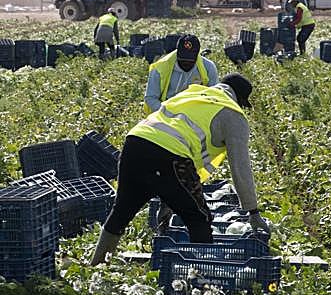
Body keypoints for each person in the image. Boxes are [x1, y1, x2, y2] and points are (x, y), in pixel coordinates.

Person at [90, 74, 270, 265]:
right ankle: (202, 281)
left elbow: (168, 134)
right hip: (170, 155)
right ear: (240, 99)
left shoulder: (193, 94)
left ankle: (96, 266)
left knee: (121, 212)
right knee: (199, 219)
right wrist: (253, 212)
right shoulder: (233, 114)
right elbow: (240, 167)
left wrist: (167, 203)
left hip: (135, 142)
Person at [144, 34, 218, 112]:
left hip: (197, 110)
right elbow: (150, 98)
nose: (186, 64)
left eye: (190, 61)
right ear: (177, 54)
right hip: (168, 109)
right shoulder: (160, 68)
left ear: (197, 56)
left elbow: (215, 95)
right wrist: (167, 112)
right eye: (182, 60)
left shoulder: (208, 67)